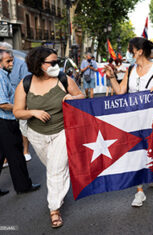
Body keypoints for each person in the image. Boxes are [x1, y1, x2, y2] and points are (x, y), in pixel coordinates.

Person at [13, 47, 84, 228]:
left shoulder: (63, 79)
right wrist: (33, 112)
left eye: (57, 62)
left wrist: (72, 98)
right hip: (36, 134)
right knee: (53, 166)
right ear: (39, 64)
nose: (56, 66)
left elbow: (81, 96)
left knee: (56, 169)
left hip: (63, 130)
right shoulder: (25, 84)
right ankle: (59, 189)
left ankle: (54, 210)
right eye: (52, 63)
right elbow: (17, 111)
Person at [103, 37, 153, 207]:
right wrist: (112, 78)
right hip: (133, 118)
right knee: (136, 151)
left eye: (131, 49)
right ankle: (139, 191)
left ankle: (152, 171)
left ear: (140, 51)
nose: (129, 52)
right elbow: (120, 91)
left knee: (151, 149)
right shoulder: (130, 69)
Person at [0, 49, 41, 197]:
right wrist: (21, 108)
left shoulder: (4, 75)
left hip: (5, 121)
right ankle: (23, 186)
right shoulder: (0, 77)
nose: (12, 63)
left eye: (11, 60)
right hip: (5, 121)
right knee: (16, 155)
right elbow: (3, 103)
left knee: (1, 154)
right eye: (8, 61)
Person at [0, 42, 32, 164]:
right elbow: (2, 103)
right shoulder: (1, 74)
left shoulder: (19, 65)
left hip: (19, 104)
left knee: (23, 130)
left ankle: (26, 151)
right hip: (8, 114)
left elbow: (26, 82)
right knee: (12, 148)